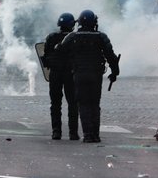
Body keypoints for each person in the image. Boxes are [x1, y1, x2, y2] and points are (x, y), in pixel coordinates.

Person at [56, 9, 119, 143]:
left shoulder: (72, 36)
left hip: (79, 74)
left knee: (83, 104)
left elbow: (60, 49)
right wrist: (115, 72)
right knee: (95, 104)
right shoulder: (101, 36)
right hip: (96, 75)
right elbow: (111, 56)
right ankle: (95, 135)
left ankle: (87, 134)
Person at [41, 13, 79, 140]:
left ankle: (56, 132)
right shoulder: (75, 38)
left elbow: (45, 58)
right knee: (73, 103)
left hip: (55, 74)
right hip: (70, 74)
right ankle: (73, 133)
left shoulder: (51, 37)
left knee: (55, 104)